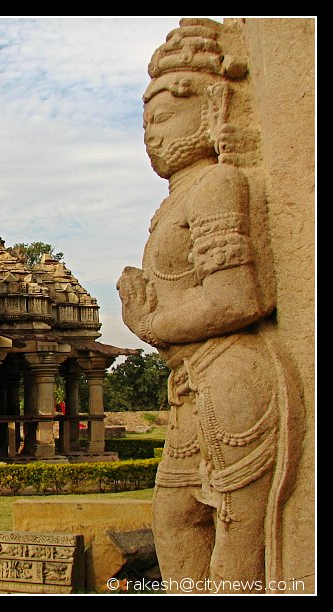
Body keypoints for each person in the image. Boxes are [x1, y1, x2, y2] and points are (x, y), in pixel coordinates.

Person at [117, 18, 302, 593]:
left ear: (213, 108)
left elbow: (239, 297)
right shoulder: (177, 202)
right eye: (145, 123)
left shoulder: (219, 184)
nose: (150, 136)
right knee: (176, 517)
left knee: (236, 531)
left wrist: (150, 322)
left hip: (233, 378)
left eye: (163, 117)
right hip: (195, 382)